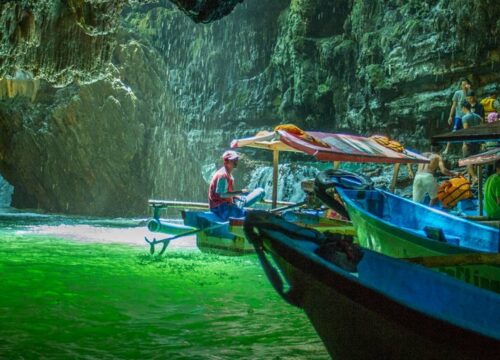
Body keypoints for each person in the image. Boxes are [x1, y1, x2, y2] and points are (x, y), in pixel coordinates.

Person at [208, 150, 264, 220]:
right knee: (250, 215)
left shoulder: (227, 174)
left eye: (236, 160)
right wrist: (240, 192)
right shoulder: (222, 175)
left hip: (225, 207)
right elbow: (222, 194)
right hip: (221, 210)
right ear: (226, 162)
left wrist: (236, 197)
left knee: (248, 199)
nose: (235, 162)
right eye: (233, 160)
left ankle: (259, 194)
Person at [444, 78, 471, 154]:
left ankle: (464, 151)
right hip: (458, 116)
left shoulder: (471, 93)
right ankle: (447, 148)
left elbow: (472, 103)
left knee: (466, 132)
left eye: (466, 84)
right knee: (454, 131)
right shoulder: (457, 93)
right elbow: (453, 105)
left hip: (468, 116)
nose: (464, 86)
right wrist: (450, 116)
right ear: (460, 86)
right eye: (463, 85)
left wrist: (468, 90)